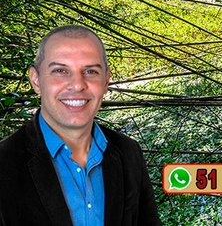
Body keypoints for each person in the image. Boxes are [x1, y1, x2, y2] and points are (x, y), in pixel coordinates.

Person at [0, 25, 162, 226]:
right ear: (36, 80)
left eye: (90, 71)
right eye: (60, 71)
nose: (77, 85)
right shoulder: (4, 163)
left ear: (106, 81)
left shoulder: (128, 153)